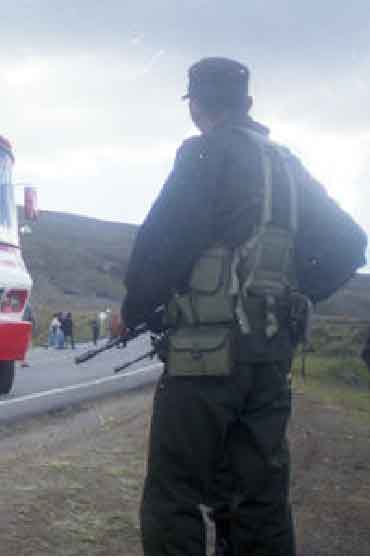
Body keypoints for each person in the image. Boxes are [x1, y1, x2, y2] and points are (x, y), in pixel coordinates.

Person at [112, 57, 367, 555]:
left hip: (204, 359)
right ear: (247, 104)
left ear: (196, 106)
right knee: (261, 494)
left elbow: (162, 245)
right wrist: (293, 293)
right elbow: (351, 244)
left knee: (175, 490)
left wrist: (135, 309)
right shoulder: (288, 166)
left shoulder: (203, 155)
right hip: (270, 360)